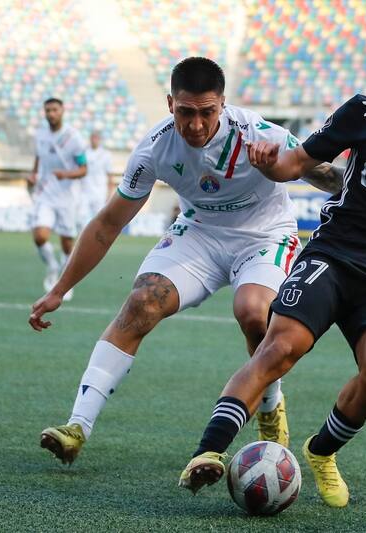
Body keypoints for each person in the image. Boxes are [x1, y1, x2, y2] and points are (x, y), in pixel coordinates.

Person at [179, 22, 366, 508]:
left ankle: (321, 452)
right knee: (279, 349)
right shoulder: (365, 112)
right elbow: (295, 163)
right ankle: (208, 452)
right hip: (334, 255)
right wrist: (268, 164)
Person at [29, 57, 342, 465]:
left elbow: (326, 175)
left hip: (264, 235)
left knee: (252, 312)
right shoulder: (154, 148)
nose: (195, 125)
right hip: (199, 233)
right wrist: (59, 289)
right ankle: (77, 427)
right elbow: (107, 224)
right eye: (185, 112)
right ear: (169, 104)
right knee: (142, 302)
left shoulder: (258, 134)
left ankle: (270, 407)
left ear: (223, 105)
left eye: (207, 113)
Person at [28, 97, 88, 301]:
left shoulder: (74, 138)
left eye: (54, 110)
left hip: (67, 198)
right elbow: (38, 159)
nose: (50, 114)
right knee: (39, 237)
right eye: (47, 110)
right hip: (45, 194)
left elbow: (83, 169)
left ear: (62, 111)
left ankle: (64, 281)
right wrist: (33, 175)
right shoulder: (40, 134)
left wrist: (66, 174)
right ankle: (52, 267)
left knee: (66, 244)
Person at [78, 131, 113, 230]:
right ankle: (83, 242)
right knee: (82, 217)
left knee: (99, 219)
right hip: (85, 191)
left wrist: (109, 194)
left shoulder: (106, 155)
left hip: (99, 192)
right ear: (90, 139)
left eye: (97, 138)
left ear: (100, 140)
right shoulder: (84, 153)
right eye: (93, 138)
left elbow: (109, 175)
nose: (94, 140)